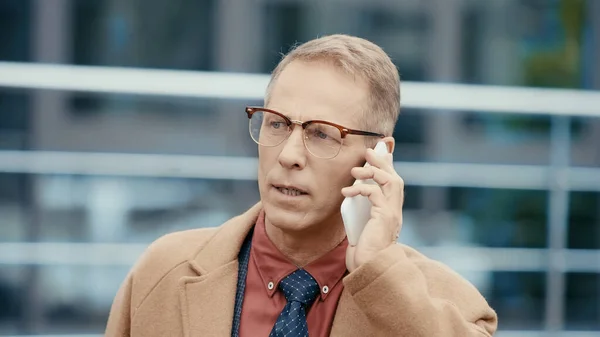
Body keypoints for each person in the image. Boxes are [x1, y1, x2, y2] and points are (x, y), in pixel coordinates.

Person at [105, 34, 498, 337]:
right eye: (276, 123)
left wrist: (380, 272)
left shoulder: (449, 305)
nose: (288, 154)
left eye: (321, 134)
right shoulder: (162, 273)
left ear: (378, 154)